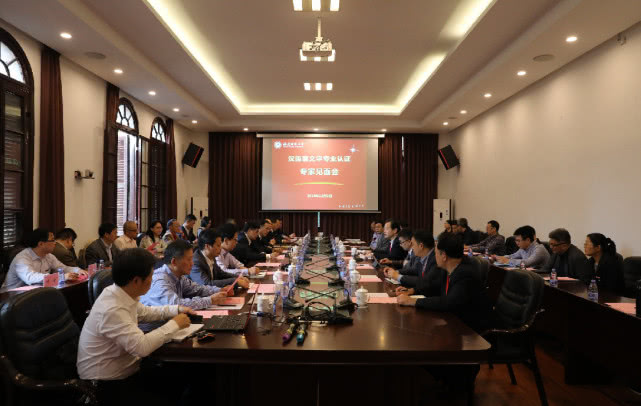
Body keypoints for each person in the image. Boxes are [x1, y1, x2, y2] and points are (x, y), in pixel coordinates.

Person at [77, 248, 194, 405]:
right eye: (151, 276)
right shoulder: (112, 308)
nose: (153, 279)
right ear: (137, 281)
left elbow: (145, 312)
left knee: (184, 375)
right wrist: (174, 324)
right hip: (107, 385)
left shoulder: (120, 292)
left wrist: (176, 309)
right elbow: (142, 347)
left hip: (128, 370)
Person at [397, 231, 490, 332]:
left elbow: (448, 302)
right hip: (452, 322)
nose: (434, 256)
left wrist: (413, 301)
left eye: (436, 253)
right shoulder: (448, 268)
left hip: (470, 330)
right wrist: (412, 291)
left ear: (444, 256)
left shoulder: (466, 273)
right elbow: (433, 285)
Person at [139, 240, 228, 311]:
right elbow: (175, 305)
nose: (192, 263)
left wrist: (220, 290)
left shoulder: (179, 276)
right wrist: (210, 300)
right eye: (189, 259)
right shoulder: (160, 279)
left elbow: (197, 289)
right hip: (154, 327)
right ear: (174, 262)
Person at [2, 228, 85, 289]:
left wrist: (78, 270)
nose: (55, 243)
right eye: (52, 240)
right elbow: (30, 278)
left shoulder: (48, 256)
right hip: (11, 298)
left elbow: (63, 268)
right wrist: (61, 277)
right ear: (41, 244)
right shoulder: (22, 258)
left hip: (34, 293)